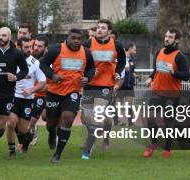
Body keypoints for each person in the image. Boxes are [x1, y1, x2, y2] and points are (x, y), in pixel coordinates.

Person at [39, 28, 96, 163]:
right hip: (54, 91)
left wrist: (87, 78)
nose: (76, 41)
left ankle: (57, 154)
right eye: (73, 38)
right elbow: (42, 63)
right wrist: (52, 75)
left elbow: (92, 68)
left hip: (73, 92)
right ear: (67, 38)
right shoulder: (56, 49)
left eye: (79, 39)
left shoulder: (86, 53)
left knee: (68, 118)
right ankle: (52, 133)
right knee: (51, 122)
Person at [80, 19, 126, 160]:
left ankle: (88, 149)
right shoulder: (88, 44)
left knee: (97, 116)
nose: (99, 30)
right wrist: (86, 75)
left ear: (109, 31)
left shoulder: (116, 45)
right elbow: (81, 59)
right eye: (98, 28)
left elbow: (123, 60)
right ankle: (91, 136)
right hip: (89, 85)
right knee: (86, 117)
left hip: (106, 86)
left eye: (103, 28)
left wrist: (118, 71)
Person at [0, 27, 29, 161]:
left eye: (3, 35)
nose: (0, 38)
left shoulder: (16, 53)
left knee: (1, 126)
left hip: (8, 93)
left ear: (9, 37)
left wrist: (16, 77)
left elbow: (24, 70)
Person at [143, 28, 190, 159]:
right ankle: (153, 143)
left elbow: (186, 76)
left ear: (176, 40)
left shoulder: (180, 57)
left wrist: (174, 73)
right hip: (157, 92)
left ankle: (168, 148)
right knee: (151, 117)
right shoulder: (160, 51)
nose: (166, 39)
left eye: (170, 37)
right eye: (166, 36)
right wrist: (151, 78)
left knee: (168, 122)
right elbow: (156, 69)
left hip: (172, 95)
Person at [8, 37, 46, 156]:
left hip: (27, 99)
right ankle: (12, 150)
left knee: (23, 129)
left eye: (31, 46)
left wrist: (31, 90)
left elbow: (43, 81)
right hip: (13, 97)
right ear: (19, 47)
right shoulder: (11, 59)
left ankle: (26, 142)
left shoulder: (35, 63)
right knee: (11, 123)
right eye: (26, 47)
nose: (30, 49)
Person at [28, 35, 49, 146]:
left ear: (45, 48)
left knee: (47, 118)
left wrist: (49, 86)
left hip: (50, 94)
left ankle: (53, 133)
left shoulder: (50, 60)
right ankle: (32, 135)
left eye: (40, 46)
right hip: (36, 94)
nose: (36, 48)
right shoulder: (30, 59)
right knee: (31, 120)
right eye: (35, 45)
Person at [117, 43, 138, 126]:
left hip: (129, 86)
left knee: (129, 104)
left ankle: (130, 122)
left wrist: (137, 76)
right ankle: (117, 121)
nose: (135, 52)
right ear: (130, 48)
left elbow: (132, 72)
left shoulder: (131, 60)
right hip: (121, 85)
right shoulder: (121, 58)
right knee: (118, 104)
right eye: (134, 49)